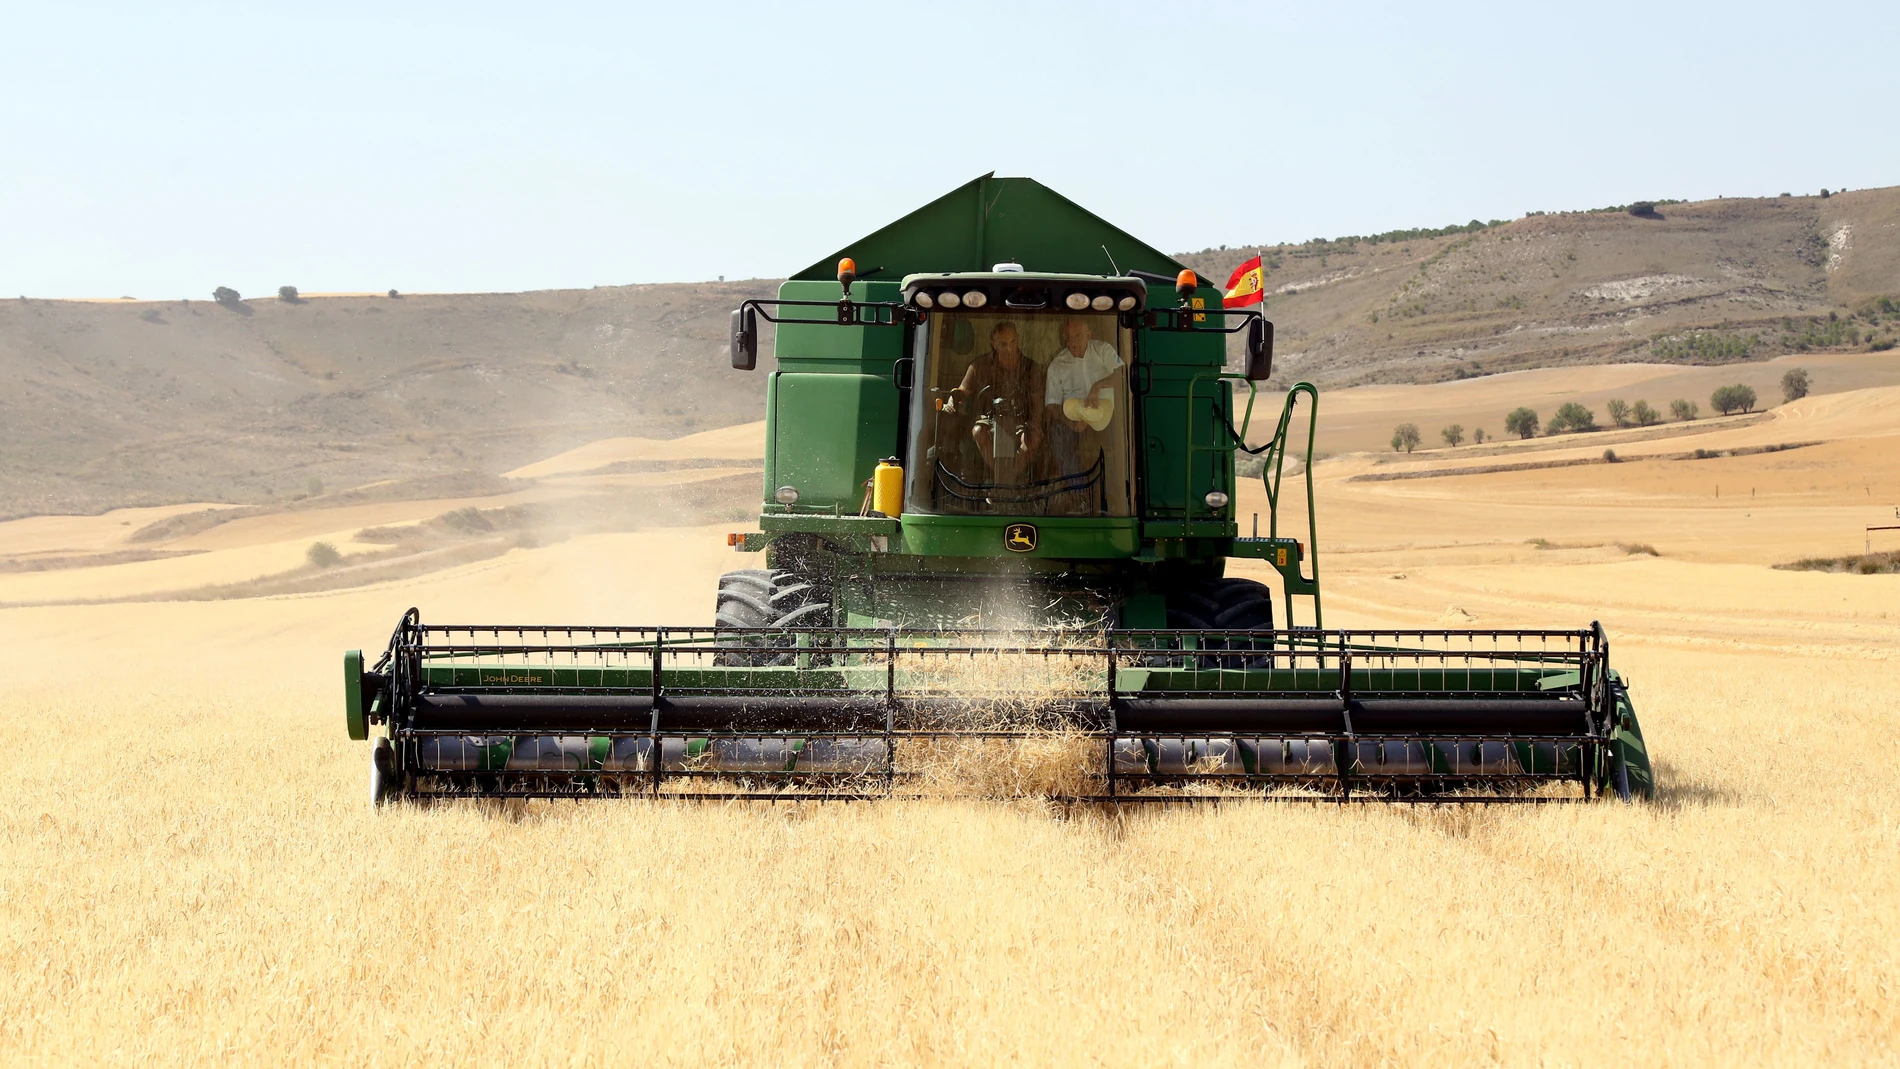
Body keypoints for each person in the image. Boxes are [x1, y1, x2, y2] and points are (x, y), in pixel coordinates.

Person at [950, 321, 1044, 477]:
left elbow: (1038, 401)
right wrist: (953, 399)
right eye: (1003, 344)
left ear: (1018, 339)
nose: (1009, 348)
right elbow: (962, 391)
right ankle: (1005, 479)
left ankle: (1007, 479)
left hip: (1022, 421)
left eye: (1012, 342)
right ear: (993, 344)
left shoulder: (1031, 368)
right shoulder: (979, 366)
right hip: (988, 420)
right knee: (978, 431)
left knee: (1034, 437)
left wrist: (1035, 422)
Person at [1042, 317, 1124, 475]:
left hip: (1108, 416)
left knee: (1119, 429)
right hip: (1074, 420)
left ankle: (1116, 487)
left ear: (1088, 334)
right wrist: (1070, 423)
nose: (1073, 342)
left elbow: (1122, 375)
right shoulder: (1056, 365)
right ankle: (1077, 490)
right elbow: (1052, 405)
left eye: (1078, 335)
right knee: (1058, 433)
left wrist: (1097, 386)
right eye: (1069, 337)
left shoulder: (1103, 350)